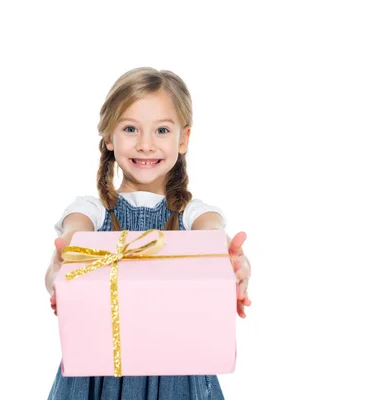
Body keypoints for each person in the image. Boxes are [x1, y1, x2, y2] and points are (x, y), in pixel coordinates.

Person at [45, 67, 252, 399]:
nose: (145, 144)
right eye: (130, 129)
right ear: (109, 137)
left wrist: (229, 259)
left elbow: (211, 233)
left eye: (161, 130)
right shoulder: (93, 210)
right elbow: (74, 235)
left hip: (177, 374)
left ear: (182, 139)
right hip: (99, 373)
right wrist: (64, 263)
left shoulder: (191, 214)